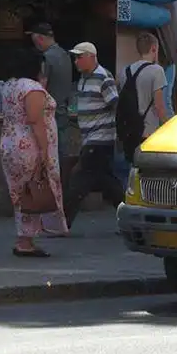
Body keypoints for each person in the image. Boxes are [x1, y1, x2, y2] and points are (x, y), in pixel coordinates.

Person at [0, 47, 69, 257]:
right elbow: (35, 120)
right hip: (29, 146)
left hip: (10, 144)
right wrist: (45, 150)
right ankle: (26, 240)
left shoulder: (9, 86)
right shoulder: (32, 88)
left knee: (21, 193)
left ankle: (25, 238)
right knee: (35, 188)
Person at [63, 41, 125, 228]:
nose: (76, 61)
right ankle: (128, 216)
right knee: (107, 182)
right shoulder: (83, 79)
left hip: (100, 139)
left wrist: (117, 133)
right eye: (75, 58)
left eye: (79, 57)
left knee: (79, 180)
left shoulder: (103, 78)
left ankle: (63, 223)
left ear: (91, 57)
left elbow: (116, 105)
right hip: (90, 138)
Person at [26, 22, 74, 178]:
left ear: (40, 39)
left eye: (36, 42)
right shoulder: (66, 55)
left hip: (50, 113)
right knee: (63, 153)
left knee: (51, 156)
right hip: (63, 109)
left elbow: (42, 86)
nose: (37, 46)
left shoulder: (46, 58)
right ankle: (65, 185)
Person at [117, 32, 168, 165]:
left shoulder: (125, 71)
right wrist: (168, 126)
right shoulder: (157, 71)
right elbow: (159, 106)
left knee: (132, 168)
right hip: (148, 132)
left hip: (129, 131)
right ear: (154, 48)